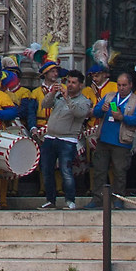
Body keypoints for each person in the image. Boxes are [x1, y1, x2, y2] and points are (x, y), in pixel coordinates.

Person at [89, 71, 136, 200]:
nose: (121, 88)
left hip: (122, 142)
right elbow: (95, 112)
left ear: (130, 85)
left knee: (120, 172)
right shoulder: (110, 96)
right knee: (99, 171)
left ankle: (118, 199)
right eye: (119, 85)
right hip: (104, 139)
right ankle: (97, 198)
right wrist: (101, 109)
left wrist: (122, 117)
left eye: (124, 85)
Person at [40, 72, 90, 210]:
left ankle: (70, 201)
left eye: (74, 83)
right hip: (50, 137)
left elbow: (80, 113)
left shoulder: (84, 101)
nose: (70, 85)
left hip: (67, 140)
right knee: (46, 170)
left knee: (66, 171)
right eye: (68, 82)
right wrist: (52, 93)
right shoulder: (58, 96)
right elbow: (44, 104)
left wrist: (67, 98)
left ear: (81, 85)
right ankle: (50, 200)